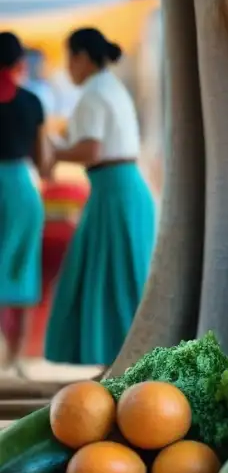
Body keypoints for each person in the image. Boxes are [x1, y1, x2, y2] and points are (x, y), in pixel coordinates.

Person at [45, 27, 156, 367]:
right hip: (120, 189)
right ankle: (121, 361)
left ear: (81, 57)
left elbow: (91, 149)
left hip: (114, 193)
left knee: (111, 279)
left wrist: (53, 150)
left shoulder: (95, 93)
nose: (68, 68)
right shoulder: (110, 87)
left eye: (70, 59)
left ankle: (122, 360)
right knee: (116, 277)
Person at [0, 32, 51, 374]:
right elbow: (44, 159)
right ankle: (16, 358)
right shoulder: (32, 102)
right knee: (22, 268)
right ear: (20, 64)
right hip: (21, 190)